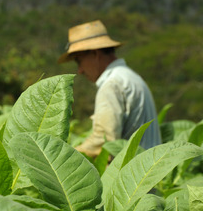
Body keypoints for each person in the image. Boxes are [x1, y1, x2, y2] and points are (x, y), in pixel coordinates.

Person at [58, 20, 162, 158]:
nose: (80, 71)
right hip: (150, 170)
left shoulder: (111, 85)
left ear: (95, 54)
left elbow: (104, 142)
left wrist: (61, 159)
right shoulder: (130, 77)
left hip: (135, 176)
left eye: (79, 61)